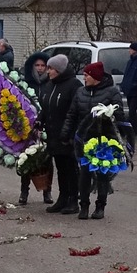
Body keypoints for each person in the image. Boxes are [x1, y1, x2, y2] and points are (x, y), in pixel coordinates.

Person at [66, 59, 130, 221]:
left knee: (102, 174)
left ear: (95, 77)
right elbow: (72, 115)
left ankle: (100, 206)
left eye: (87, 75)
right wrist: (66, 133)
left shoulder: (112, 92)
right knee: (84, 174)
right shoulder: (81, 92)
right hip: (85, 139)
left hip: (104, 140)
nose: (84, 78)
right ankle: (84, 205)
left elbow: (120, 115)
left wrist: (110, 115)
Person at [38, 53, 82, 216]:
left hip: (68, 135)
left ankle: (73, 200)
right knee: (60, 168)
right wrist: (40, 119)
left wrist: (71, 133)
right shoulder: (50, 85)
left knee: (71, 168)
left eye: (51, 68)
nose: (48, 71)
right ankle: (63, 197)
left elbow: (75, 110)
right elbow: (47, 105)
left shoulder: (73, 85)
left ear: (60, 70)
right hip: (53, 133)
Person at [18, 56, 49, 205]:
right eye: (37, 65)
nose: (40, 68)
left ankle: (47, 191)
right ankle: (24, 191)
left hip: (46, 126)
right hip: (29, 127)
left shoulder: (50, 84)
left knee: (47, 160)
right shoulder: (26, 84)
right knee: (27, 159)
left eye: (43, 65)